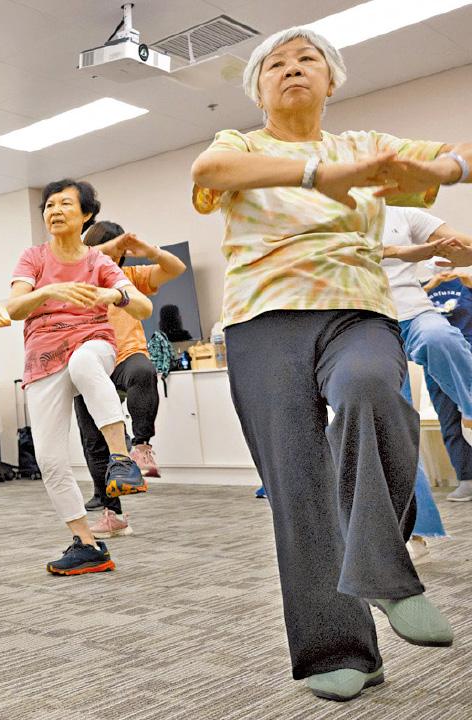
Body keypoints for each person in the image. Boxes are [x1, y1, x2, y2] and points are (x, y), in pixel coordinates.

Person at [190, 25, 470, 701]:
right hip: (261, 324)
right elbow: (208, 175)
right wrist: (317, 173)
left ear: (332, 79)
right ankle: (340, 652)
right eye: (276, 64)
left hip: (356, 310)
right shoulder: (241, 145)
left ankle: (384, 572)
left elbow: (458, 153)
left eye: (307, 58)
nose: (291, 68)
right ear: (259, 89)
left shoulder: (366, 147)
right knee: (299, 486)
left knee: (374, 392)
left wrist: (446, 169)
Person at [6, 179, 151, 577]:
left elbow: (142, 304)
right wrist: (51, 290)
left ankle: (122, 460)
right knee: (50, 460)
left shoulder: (98, 262)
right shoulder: (33, 258)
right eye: (49, 205)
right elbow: (15, 307)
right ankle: (88, 546)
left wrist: (114, 295)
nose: (54, 211)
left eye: (65, 204)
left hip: (92, 343)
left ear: (86, 214)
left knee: (84, 364)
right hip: (42, 358)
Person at [76, 221, 187, 536]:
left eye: (119, 253)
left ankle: (141, 446)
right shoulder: (77, 280)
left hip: (125, 356)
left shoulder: (131, 278)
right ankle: (113, 513)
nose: (114, 258)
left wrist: (148, 250)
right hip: (87, 364)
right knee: (93, 441)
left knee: (143, 371)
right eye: (110, 251)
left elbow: (175, 267)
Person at [381, 205, 472, 560]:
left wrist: (459, 251)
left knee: (440, 338)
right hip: (369, 323)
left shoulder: (406, 216)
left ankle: (469, 412)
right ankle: (415, 529)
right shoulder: (333, 216)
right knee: (397, 430)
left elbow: (458, 243)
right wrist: (409, 252)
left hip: (415, 312)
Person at [424, 268, 472, 502]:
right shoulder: (420, 289)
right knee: (449, 421)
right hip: (435, 362)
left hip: (468, 355)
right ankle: (467, 479)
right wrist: (429, 285)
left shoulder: (466, 284)